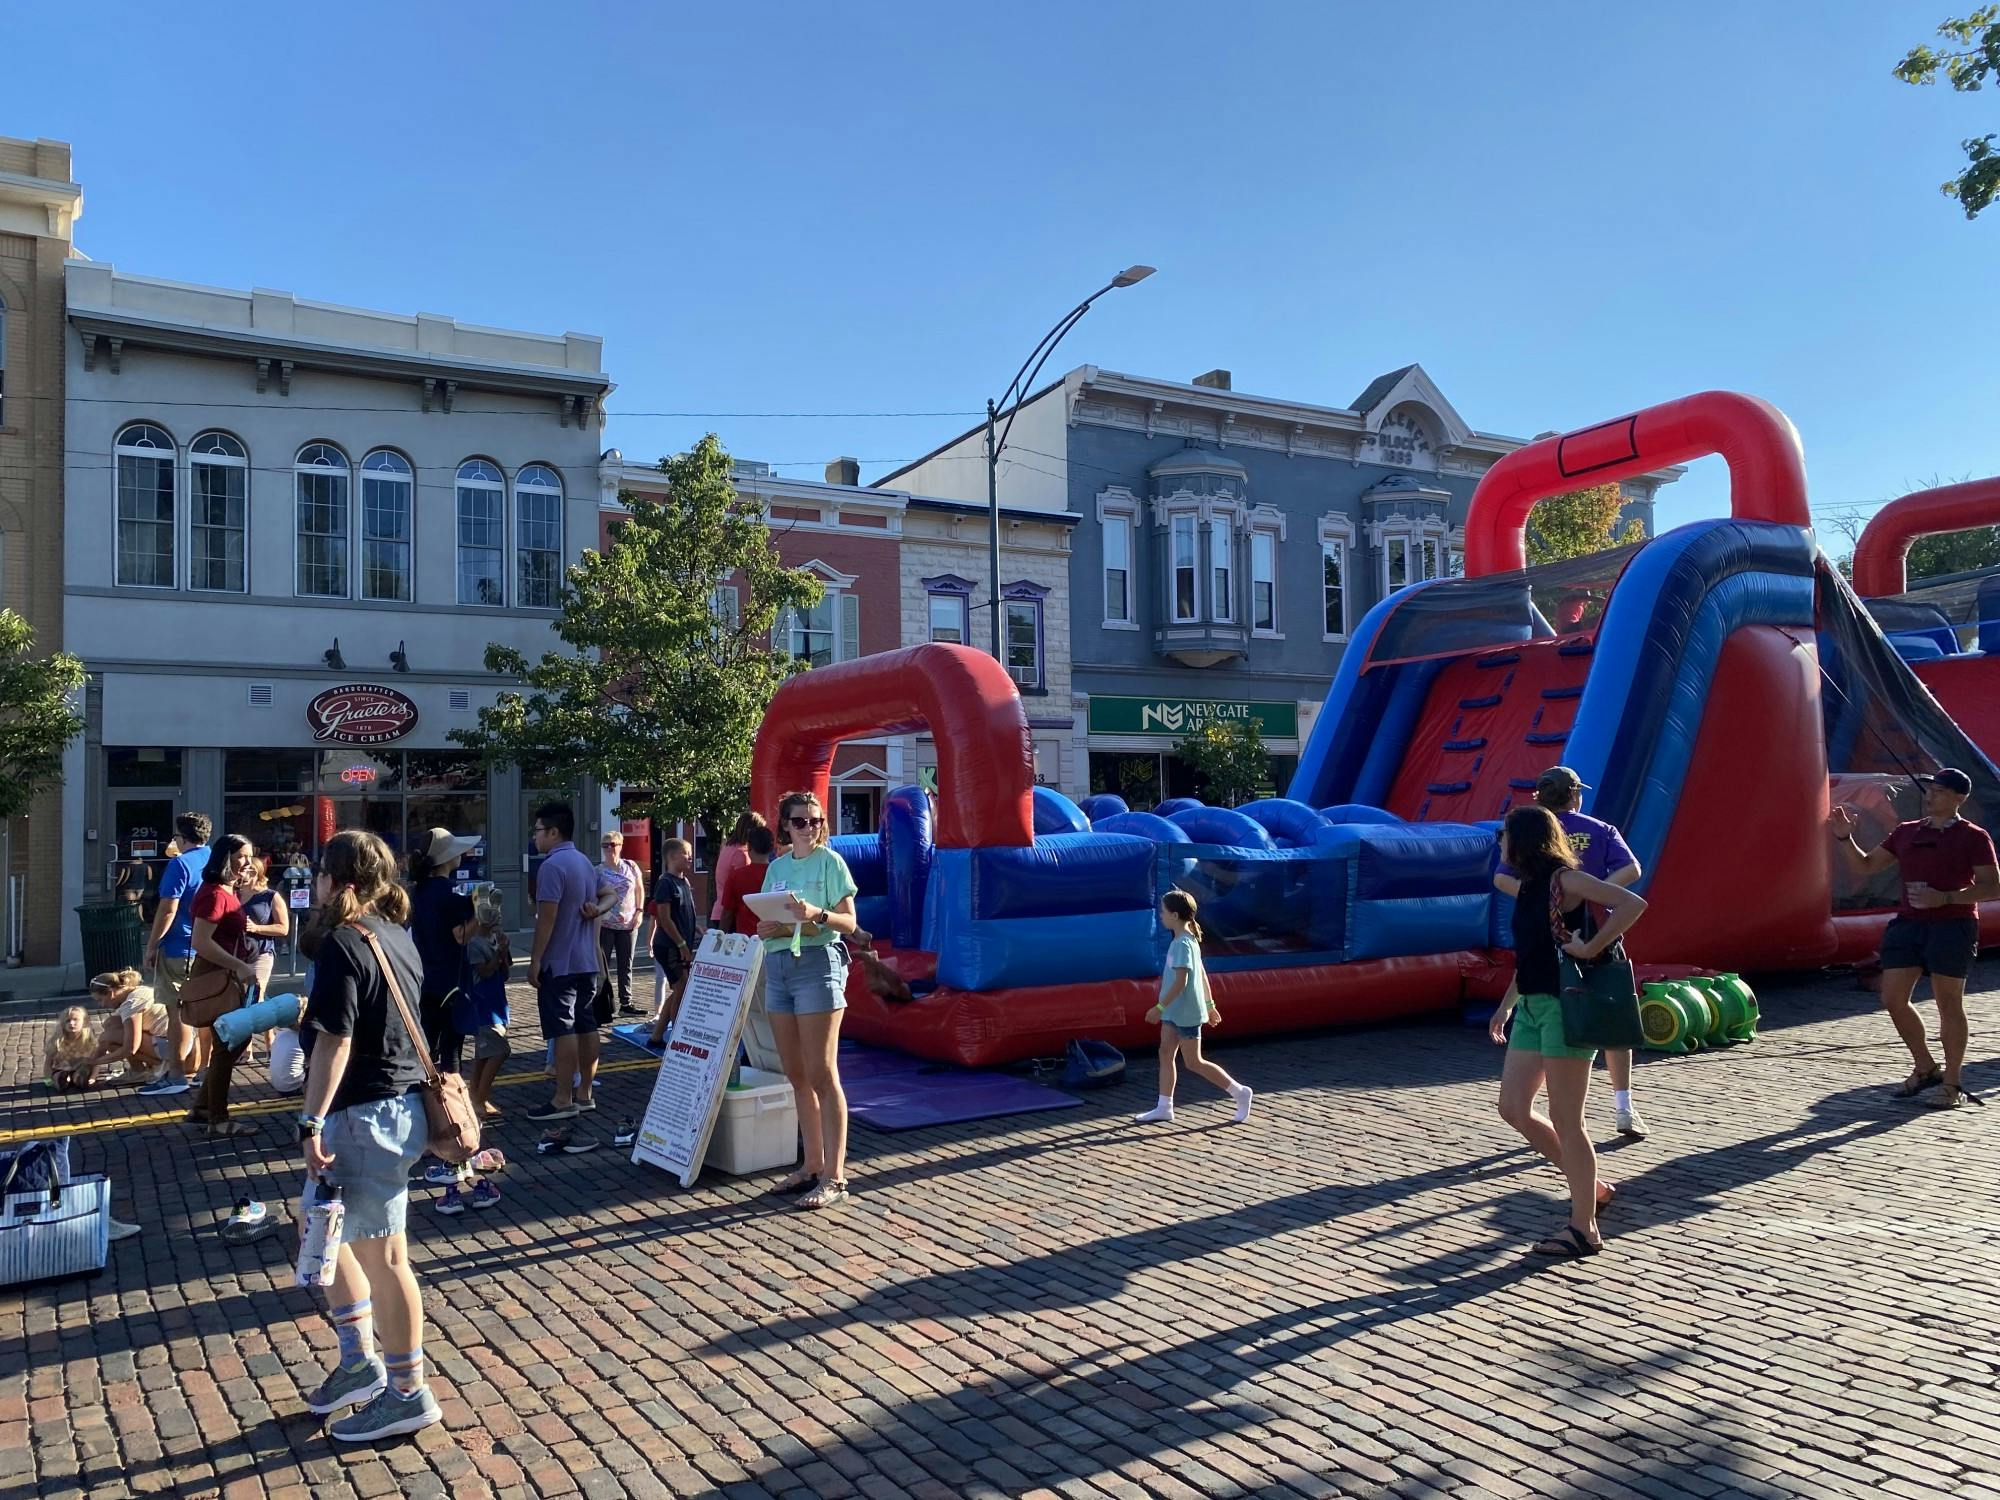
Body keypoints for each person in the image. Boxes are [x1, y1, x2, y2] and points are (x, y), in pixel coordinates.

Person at [294, 829, 443, 1440]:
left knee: (385, 1258)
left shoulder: (344, 942)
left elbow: (337, 1040)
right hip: (391, 1108)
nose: (314, 885)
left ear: (339, 882)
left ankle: (408, 1392)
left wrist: (310, 1120)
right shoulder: (396, 935)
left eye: (320, 875)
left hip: (364, 1115)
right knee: (325, 1233)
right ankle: (359, 1362)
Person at [1487, 805, 1648, 1259]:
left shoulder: (1565, 879)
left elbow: (1632, 904)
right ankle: (1590, 1186)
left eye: (1503, 836)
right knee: (1513, 1107)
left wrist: (1591, 946)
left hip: (1564, 1006)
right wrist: (1505, 1007)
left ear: (1523, 840)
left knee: (1567, 1119)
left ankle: (1584, 1228)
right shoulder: (1526, 887)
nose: (1500, 844)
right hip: (1532, 1007)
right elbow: (1533, 955)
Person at [1830, 767, 1999, 1110]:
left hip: (1953, 927)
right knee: (1892, 998)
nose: (1930, 795)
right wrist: (1845, 838)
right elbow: (1865, 866)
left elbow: (1993, 886)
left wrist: (1946, 897)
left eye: (1939, 791)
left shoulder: (1973, 836)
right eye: (1930, 789)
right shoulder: (1906, 831)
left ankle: (1952, 1083)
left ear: (1959, 798)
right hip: (1909, 924)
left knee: (1948, 1004)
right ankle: (1925, 1067)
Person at [1494, 766, 1649, 1138]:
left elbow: (1501, 877)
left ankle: (1560, 1125)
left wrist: (1543, 902)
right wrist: (1593, 892)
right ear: (1575, 794)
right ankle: (1624, 1105)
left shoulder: (1529, 830)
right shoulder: (1599, 829)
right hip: (1596, 930)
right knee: (1611, 1009)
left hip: (1547, 934)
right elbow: (1632, 869)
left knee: (1550, 1018)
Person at [758, 790, 860, 1210]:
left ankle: (835, 1176)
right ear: (785, 825)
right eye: (800, 821)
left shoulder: (830, 862)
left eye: (815, 821)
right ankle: (812, 1164)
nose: (809, 828)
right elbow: (770, 920)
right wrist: (769, 929)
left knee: (822, 1073)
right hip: (780, 967)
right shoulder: (777, 867)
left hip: (818, 966)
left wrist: (817, 914)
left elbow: (849, 922)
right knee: (796, 1073)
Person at [1134, 890, 1253, 1126]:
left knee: (1193, 1062)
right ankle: (1164, 1107)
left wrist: (1159, 1007)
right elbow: (1202, 975)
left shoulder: (1184, 944)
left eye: (1163, 912)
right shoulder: (1184, 940)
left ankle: (1240, 1092)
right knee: (1165, 1053)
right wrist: (1210, 1005)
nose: (1160, 915)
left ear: (1175, 915)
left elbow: (1183, 981)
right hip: (1173, 1011)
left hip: (1185, 1013)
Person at [526, 803, 602, 1124]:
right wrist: (598, 909)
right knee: (587, 1025)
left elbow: (547, 918)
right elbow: (609, 894)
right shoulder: (584, 861)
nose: (534, 837)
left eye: (538, 831)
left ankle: (562, 1099)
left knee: (563, 1028)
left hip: (560, 962)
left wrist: (535, 960)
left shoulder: (552, 866)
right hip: (586, 960)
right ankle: (584, 1093)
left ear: (554, 832)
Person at [188, 834, 263, 1136]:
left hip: (228, 974)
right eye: (242, 856)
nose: (247, 862)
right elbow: (200, 941)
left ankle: (203, 1108)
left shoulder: (225, 890)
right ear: (225, 857)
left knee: (233, 1040)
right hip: (220, 976)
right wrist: (239, 966)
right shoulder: (215, 894)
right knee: (229, 1041)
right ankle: (217, 1119)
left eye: (249, 856)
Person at [140, 812, 213, 1097]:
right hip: (209, 946)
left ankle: (177, 1074)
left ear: (181, 838)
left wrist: (151, 945)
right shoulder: (215, 858)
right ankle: (205, 1068)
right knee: (206, 1011)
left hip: (179, 946)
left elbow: (168, 909)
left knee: (178, 1012)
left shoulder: (180, 864)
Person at [406, 828, 480, 1076]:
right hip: (451, 981)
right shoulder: (451, 892)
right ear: (447, 858)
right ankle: (451, 1097)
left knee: (425, 1046)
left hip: (424, 977)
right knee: (451, 1051)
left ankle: (420, 1091)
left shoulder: (418, 890)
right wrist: (481, 914)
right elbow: (461, 935)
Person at [457, 889, 513, 1123]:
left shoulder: (494, 938)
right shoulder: (474, 944)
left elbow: (504, 972)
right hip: (483, 1006)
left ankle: (476, 1096)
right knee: (500, 1050)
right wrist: (498, 952)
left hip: (497, 1005)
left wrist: (503, 950)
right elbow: (485, 972)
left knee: (484, 1053)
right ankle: (480, 1098)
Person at [645, 839, 697, 1046]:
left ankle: (657, 1036)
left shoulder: (684, 882)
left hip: (681, 944)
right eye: (686, 853)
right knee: (682, 989)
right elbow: (664, 919)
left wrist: (698, 929)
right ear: (673, 856)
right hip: (669, 946)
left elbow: (685, 913)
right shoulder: (665, 883)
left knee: (679, 989)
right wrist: (681, 944)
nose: (690, 858)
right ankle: (677, 1038)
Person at [595, 830, 647, 1017]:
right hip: (606, 925)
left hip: (628, 924)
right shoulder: (598, 871)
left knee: (626, 964)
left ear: (620, 845)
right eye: (605, 846)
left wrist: (639, 911)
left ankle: (626, 1002)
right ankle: (602, 1003)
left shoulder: (631, 866)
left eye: (612, 845)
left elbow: (639, 889)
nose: (608, 849)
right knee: (603, 964)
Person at [87, 968, 169, 1084]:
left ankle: (160, 1067)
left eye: (100, 1000)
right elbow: (111, 1026)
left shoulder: (131, 1004)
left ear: (111, 993)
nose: (101, 1005)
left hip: (172, 1048)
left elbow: (130, 1049)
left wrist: (93, 1062)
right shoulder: (139, 990)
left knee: (109, 1038)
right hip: (171, 1042)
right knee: (111, 1023)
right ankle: (139, 1070)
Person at [240, 853, 289, 997]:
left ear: (257, 873)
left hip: (260, 954)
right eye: (242, 870)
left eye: (250, 871)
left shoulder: (270, 896)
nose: (244, 874)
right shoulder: (232, 894)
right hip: (235, 954)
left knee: (254, 997)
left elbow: (283, 928)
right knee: (235, 997)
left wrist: (256, 928)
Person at [710, 812, 767, 927]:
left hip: (719, 911)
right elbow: (742, 888)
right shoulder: (741, 854)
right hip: (730, 916)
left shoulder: (727, 848)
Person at [719, 823, 777, 935]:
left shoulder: (736, 876)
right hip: (774, 937)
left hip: (746, 939)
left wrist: (720, 936)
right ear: (771, 848)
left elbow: (727, 913)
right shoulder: (780, 874)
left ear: (749, 847)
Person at [45, 1007, 99, 1090]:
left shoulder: (90, 1042)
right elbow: (48, 1064)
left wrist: (93, 1077)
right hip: (61, 1069)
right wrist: (48, 1080)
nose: (71, 1023)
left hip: (81, 1068)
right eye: (68, 1020)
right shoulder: (57, 1041)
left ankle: (78, 1080)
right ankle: (62, 1081)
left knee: (82, 1073)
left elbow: (96, 1063)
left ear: (84, 1022)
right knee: (59, 1076)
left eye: (75, 1020)